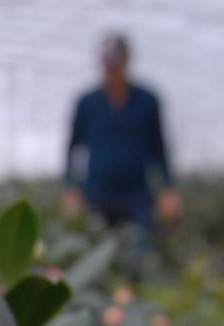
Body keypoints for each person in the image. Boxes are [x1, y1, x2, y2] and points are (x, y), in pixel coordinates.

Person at [62, 33, 181, 272]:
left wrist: (168, 189)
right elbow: (73, 148)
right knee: (96, 262)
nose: (112, 68)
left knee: (137, 259)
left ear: (127, 61)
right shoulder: (87, 103)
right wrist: (71, 187)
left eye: (117, 62)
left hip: (137, 197)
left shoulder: (148, 101)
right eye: (108, 62)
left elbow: (159, 148)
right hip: (96, 195)